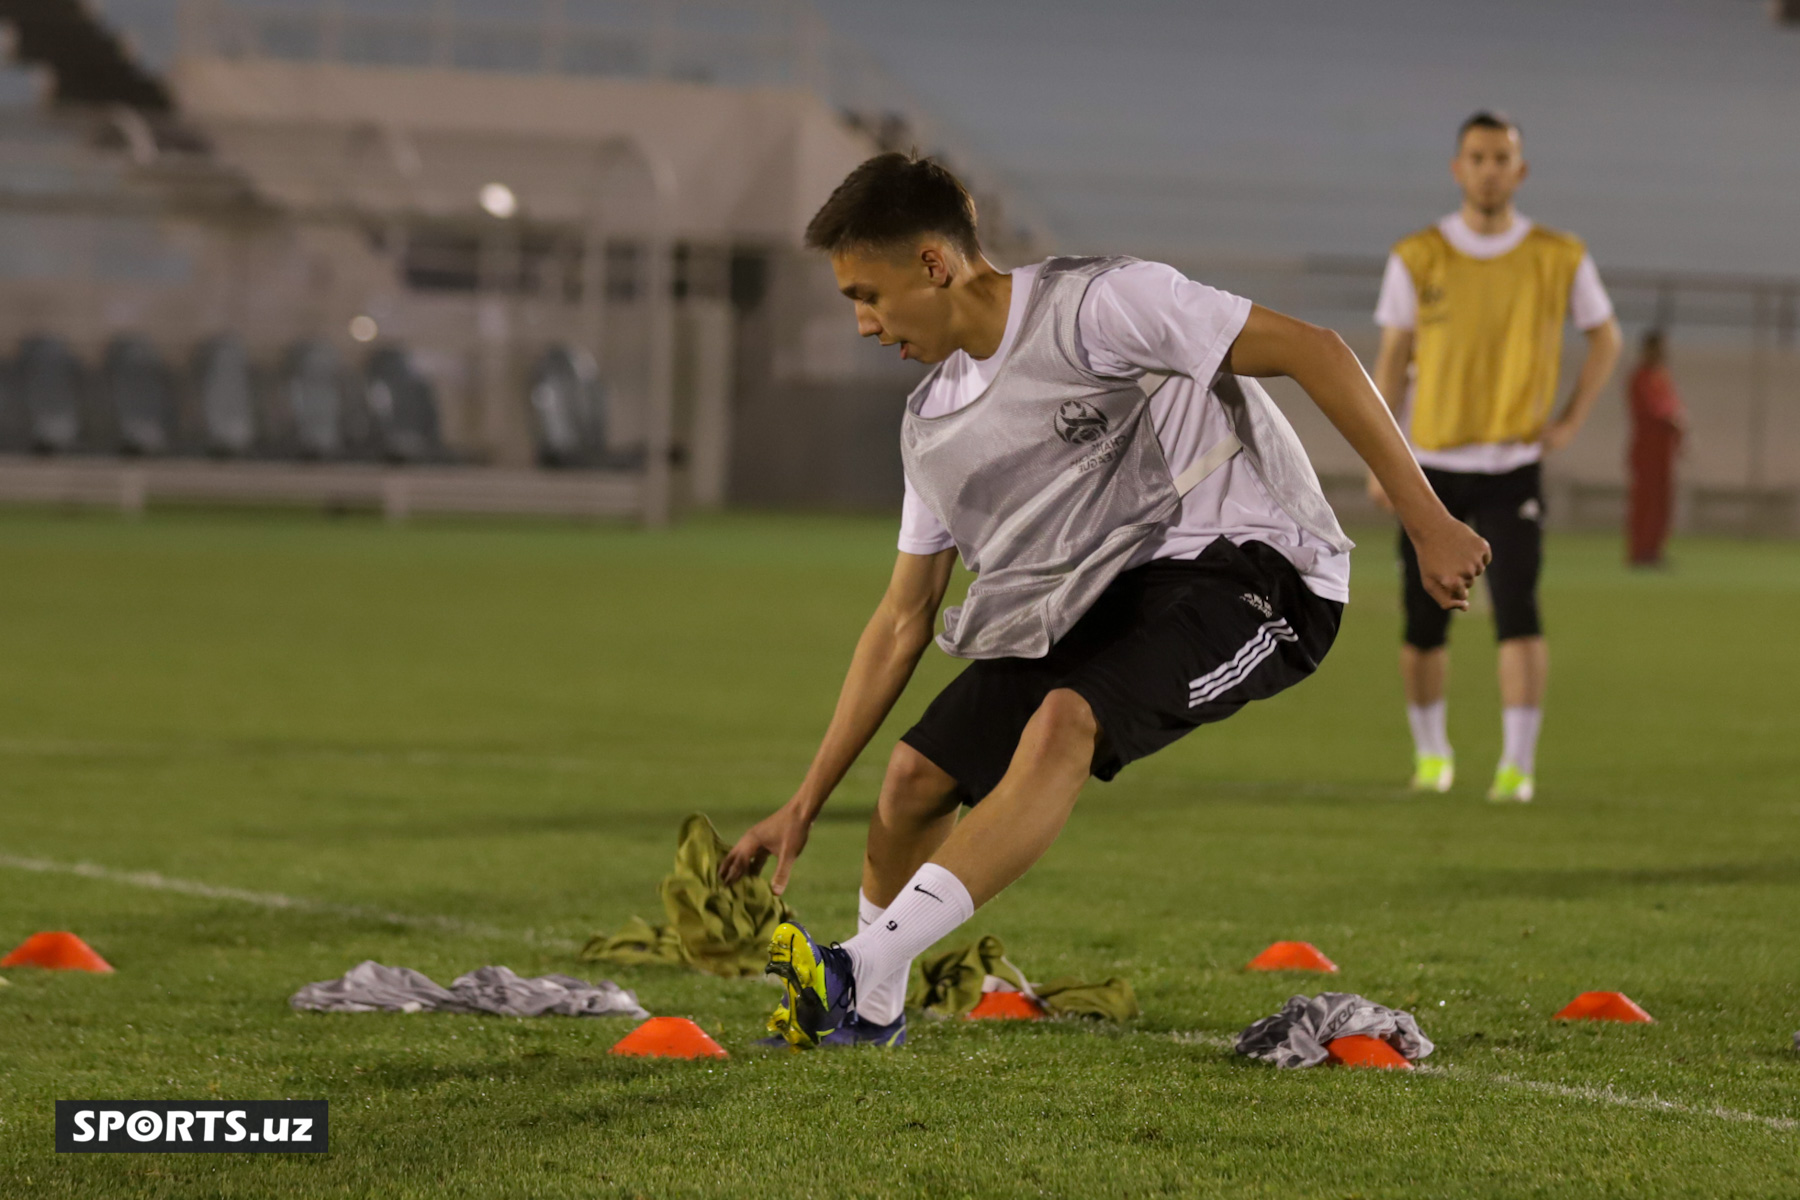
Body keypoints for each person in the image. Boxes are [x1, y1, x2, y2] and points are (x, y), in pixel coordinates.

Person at [719, 152, 1490, 1049]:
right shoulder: (931, 425)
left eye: (868, 294)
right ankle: (869, 1015)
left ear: (934, 263)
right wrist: (808, 799)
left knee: (1064, 721)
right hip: (1102, 591)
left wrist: (1426, 519)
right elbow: (902, 619)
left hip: (1256, 570)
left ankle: (851, 969)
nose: (861, 323)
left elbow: (1315, 351)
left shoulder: (1099, 305)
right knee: (911, 782)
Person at [1369, 111, 1622, 804]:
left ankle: (1516, 765)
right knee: (1423, 623)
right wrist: (1381, 456)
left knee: (1518, 609)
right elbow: (1390, 361)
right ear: (1459, 169)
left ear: (1520, 170)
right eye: (1477, 156)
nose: (1488, 168)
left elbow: (1606, 340)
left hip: (1511, 465)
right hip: (1429, 467)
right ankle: (1432, 755)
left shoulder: (1557, 255)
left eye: (1501, 156)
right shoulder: (1417, 256)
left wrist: (1568, 419)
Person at [1626, 331, 1683, 567]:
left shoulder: (1662, 377)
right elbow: (1654, 410)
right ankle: (1641, 551)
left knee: (1662, 502)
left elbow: (1675, 408)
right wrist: (1673, 420)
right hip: (1647, 449)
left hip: (1664, 451)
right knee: (1645, 501)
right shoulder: (1640, 377)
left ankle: (1655, 549)